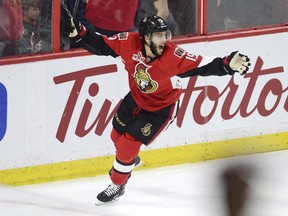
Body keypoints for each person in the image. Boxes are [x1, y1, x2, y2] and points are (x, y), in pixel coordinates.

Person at [65, 15, 250, 205]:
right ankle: (128, 161)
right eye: (159, 36)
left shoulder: (174, 56)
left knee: (128, 144)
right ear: (145, 37)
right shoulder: (128, 43)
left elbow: (203, 65)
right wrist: (80, 33)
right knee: (116, 136)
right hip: (136, 98)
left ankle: (117, 184)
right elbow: (102, 44)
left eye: (166, 34)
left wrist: (228, 64)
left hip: (161, 108)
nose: (165, 40)